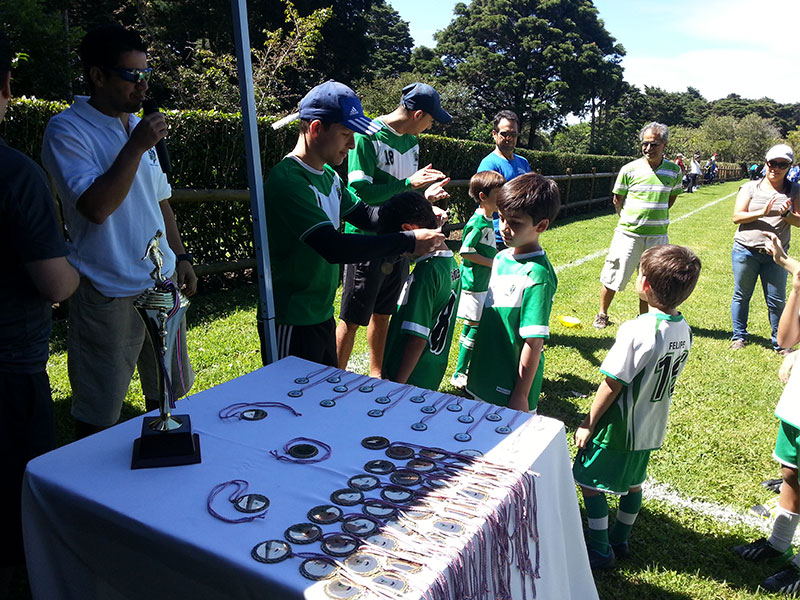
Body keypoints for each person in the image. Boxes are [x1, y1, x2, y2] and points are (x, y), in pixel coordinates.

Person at [41, 25, 196, 438]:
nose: (143, 86)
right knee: (99, 411)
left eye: (147, 74)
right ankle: (89, 496)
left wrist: (181, 256)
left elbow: (160, 201)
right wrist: (136, 147)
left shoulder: (136, 125)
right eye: (132, 75)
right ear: (97, 76)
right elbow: (95, 208)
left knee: (169, 396)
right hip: (108, 291)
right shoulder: (66, 130)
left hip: (161, 287)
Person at [264, 81, 443, 367]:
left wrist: (415, 222)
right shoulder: (289, 182)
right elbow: (332, 247)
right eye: (346, 133)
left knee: (320, 398)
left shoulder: (329, 177)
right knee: (293, 405)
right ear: (316, 128)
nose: (351, 143)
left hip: (320, 313)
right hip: (292, 319)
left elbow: (368, 217)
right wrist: (408, 241)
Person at [0, 29, 79, 599]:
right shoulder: (14, 173)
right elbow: (55, 282)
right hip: (9, 370)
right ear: (6, 86)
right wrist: (79, 271)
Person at [574, 244, 701, 570]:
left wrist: (588, 422)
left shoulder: (638, 329)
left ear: (644, 285)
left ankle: (600, 549)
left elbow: (612, 382)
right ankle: (621, 538)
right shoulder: (683, 328)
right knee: (633, 482)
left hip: (620, 426)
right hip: (651, 422)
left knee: (589, 483)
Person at [337, 82, 452, 377]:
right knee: (351, 318)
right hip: (366, 242)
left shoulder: (412, 142)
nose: (431, 126)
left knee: (384, 312)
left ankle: (378, 376)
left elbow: (400, 197)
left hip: (400, 241)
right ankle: (333, 376)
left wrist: (425, 201)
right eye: (431, 119)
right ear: (417, 115)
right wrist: (409, 185)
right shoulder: (367, 135)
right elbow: (359, 192)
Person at [733, 233, 800, 594]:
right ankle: (778, 542)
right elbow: (787, 337)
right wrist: (796, 286)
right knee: (791, 471)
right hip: (797, 402)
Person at [466, 173, 560, 412]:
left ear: (541, 226)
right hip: (482, 376)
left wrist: (520, 395)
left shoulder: (537, 275)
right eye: (501, 218)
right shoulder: (500, 258)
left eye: (515, 223)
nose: (505, 228)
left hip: (509, 389)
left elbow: (533, 341)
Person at [593, 122, 682, 329]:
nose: (648, 149)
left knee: (650, 280)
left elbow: (671, 198)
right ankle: (602, 314)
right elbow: (618, 199)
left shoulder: (674, 171)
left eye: (654, 144)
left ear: (664, 145)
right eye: (645, 144)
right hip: (628, 235)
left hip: (657, 237)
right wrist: (627, 219)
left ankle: (645, 320)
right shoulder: (629, 169)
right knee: (614, 274)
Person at [380, 192, 461, 389]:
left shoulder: (425, 274)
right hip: (430, 371)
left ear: (408, 230)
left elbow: (417, 337)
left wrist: (398, 383)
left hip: (408, 377)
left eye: (396, 242)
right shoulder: (451, 263)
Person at [730, 144, 800, 353]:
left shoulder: (795, 190)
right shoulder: (750, 187)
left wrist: (787, 215)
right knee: (742, 295)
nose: (776, 168)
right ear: (766, 163)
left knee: (777, 300)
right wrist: (762, 211)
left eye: (782, 164)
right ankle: (739, 336)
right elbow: (737, 217)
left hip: (776, 256)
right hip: (745, 250)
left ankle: (780, 342)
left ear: (789, 167)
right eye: (773, 163)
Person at [450, 170, 504, 389]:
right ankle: (459, 373)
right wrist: (493, 263)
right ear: (483, 196)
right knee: (473, 326)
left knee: (473, 325)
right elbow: (466, 251)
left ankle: (466, 368)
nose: (502, 198)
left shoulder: (489, 219)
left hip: (483, 282)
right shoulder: (477, 223)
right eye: (498, 194)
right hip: (474, 284)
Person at [477, 110, 531, 248]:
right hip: (497, 237)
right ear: (494, 134)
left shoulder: (523, 162)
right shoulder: (489, 164)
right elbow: (485, 202)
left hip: (521, 234)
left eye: (513, 134)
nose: (509, 138)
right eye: (504, 133)